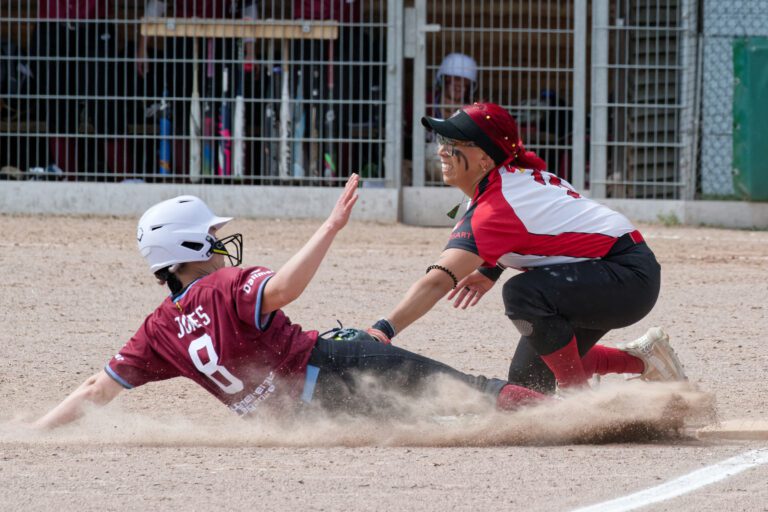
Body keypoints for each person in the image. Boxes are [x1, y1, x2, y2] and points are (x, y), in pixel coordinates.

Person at [31, 174, 547, 430]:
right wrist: (330, 226)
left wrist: (36, 432)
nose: (217, 245)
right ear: (187, 247)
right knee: (469, 391)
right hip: (333, 364)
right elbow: (283, 290)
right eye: (208, 238)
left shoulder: (158, 330)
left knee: (430, 418)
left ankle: (533, 422)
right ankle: (569, 417)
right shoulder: (226, 283)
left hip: (303, 416)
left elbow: (96, 387)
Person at [367, 102, 687, 394]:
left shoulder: (496, 206)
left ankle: (579, 399)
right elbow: (544, 228)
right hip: (610, 272)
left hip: (627, 276)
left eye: (454, 143)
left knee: (523, 295)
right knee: (529, 385)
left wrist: (383, 330)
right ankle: (645, 360)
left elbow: (438, 280)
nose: (442, 150)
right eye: (443, 141)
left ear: (484, 159)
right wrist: (491, 268)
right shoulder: (507, 181)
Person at [136, 1, 259, 176]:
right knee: (181, 108)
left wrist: (250, 50)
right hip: (182, 40)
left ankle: (217, 174)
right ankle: (184, 173)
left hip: (221, 41)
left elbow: (247, 7)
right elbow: (156, 4)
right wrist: (143, 47)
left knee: (220, 108)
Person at [29, 0, 133, 177]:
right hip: (52, 24)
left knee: (107, 105)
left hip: (95, 23)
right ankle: (66, 177)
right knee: (58, 106)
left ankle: (124, 179)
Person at [423, 53, 479, 183]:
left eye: (464, 80)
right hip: (428, 164)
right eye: (454, 78)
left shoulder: (472, 109)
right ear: (444, 80)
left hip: (459, 165)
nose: (459, 85)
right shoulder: (426, 103)